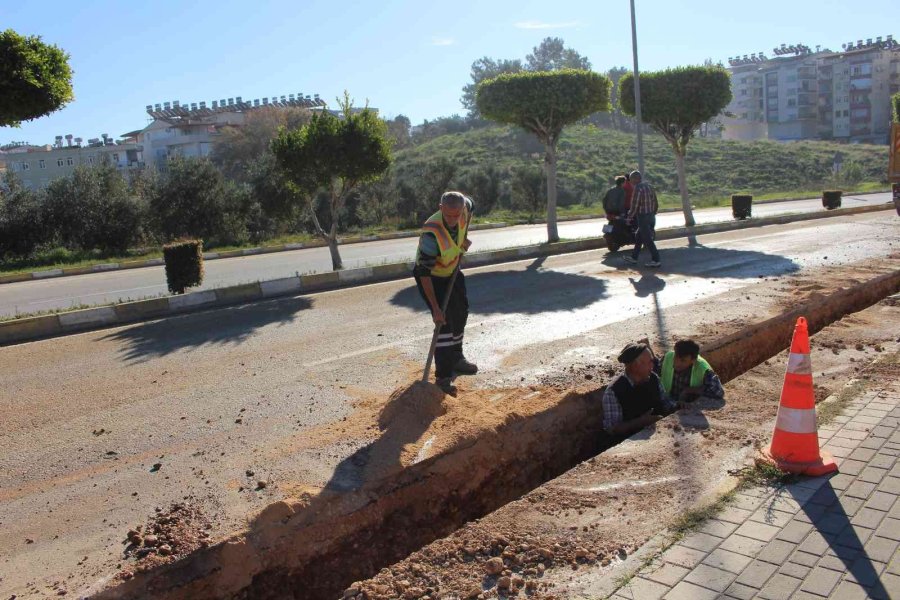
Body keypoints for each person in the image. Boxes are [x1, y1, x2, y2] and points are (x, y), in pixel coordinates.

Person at [413, 191, 478, 396]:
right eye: (448, 215)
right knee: (444, 324)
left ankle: (457, 359)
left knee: (461, 313)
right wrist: (435, 308)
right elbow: (424, 274)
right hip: (432, 277)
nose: (452, 220)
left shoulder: (464, 208)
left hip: (452, 271)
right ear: (441, 208)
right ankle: (443, 378)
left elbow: (471, 204)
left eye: (456, 215)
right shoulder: (431, 234)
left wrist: (464, 239)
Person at [600, 342, 678, 444]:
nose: (653, 364)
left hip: (661, 437)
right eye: (650, 361)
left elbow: (665, 402)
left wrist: (678, 405)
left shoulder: (653, 378)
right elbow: (612, 429)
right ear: (636, 365)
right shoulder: (614, 391)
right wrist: (641, 422)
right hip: (632, 445)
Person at [644, 338, 725, 404]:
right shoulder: (668, 357)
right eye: (676, 357)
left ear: (693, 360)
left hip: (686, 407)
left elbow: (718, 391)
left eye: (683, 360)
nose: (677, 363)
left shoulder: (702, 368)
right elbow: (656, 371)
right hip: (667, 402)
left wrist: (690, 390)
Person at [624, 170, 661, 268]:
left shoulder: (638, 189)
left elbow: (635, 205)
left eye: (632, 179)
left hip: (643, 217)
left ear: (637, 179)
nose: (630, 181)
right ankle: (634, 257)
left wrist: (629, 217)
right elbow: (655, 201)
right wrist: (653, 212)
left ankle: (656, 260)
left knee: (647, 239)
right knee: (638, 236)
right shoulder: (649, 186)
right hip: (650, 215)